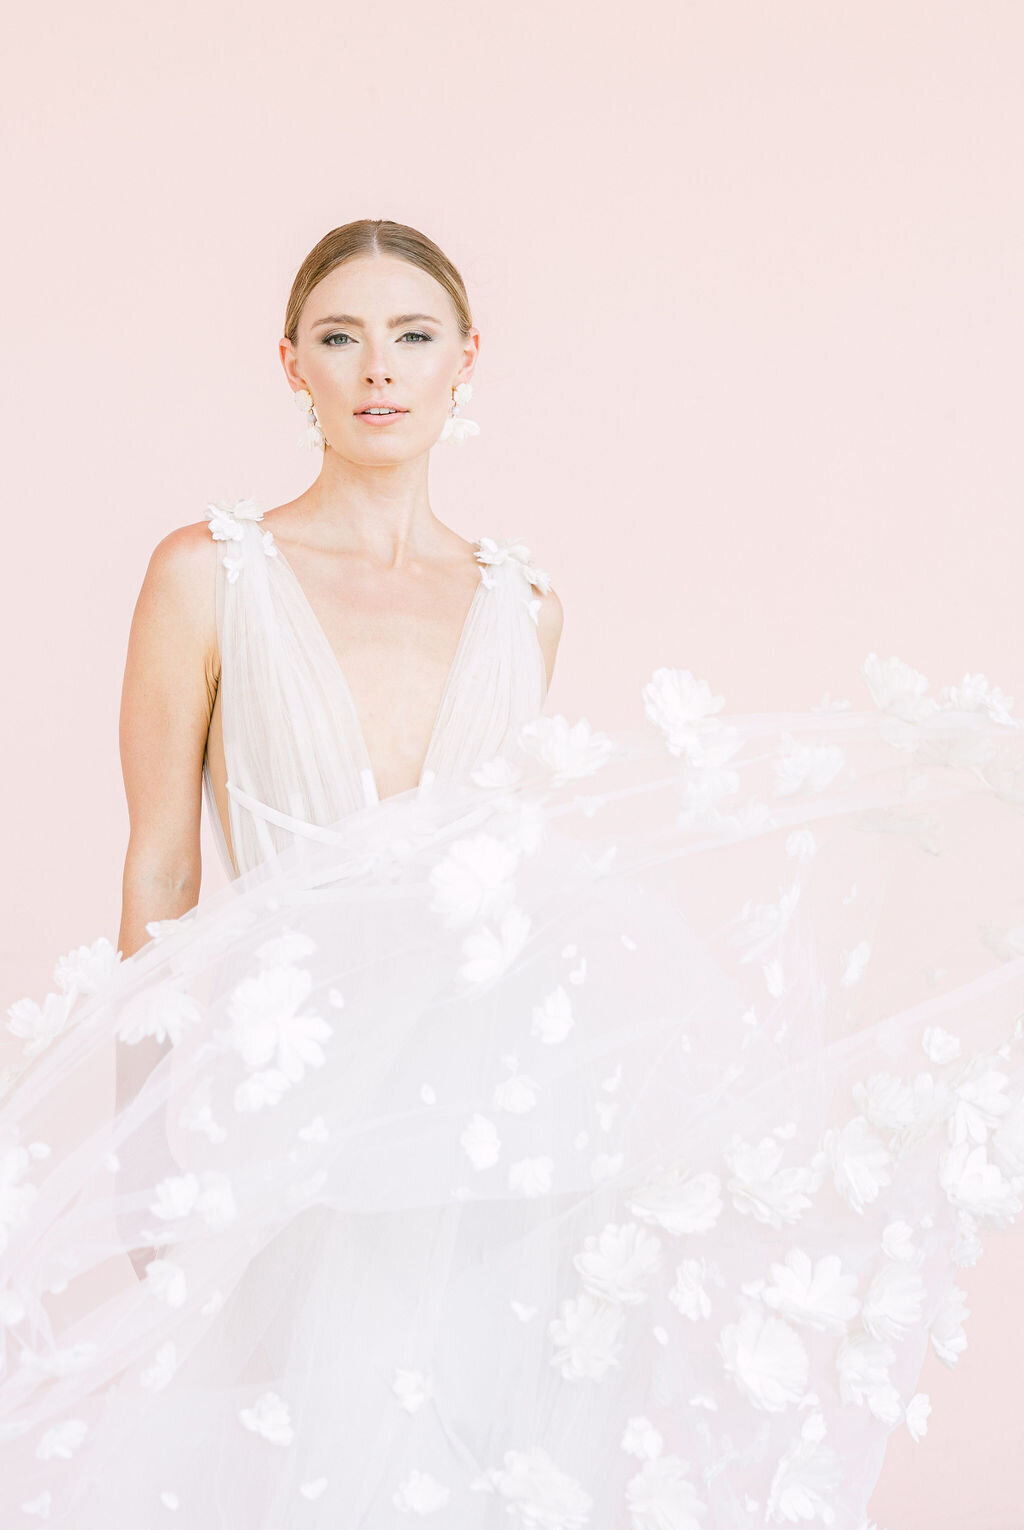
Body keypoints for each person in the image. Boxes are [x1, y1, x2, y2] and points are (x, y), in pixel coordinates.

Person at [2, 218, 1023, 1529]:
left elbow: (516, 879)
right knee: (311, 1449)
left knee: (492, 1462)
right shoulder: (207, 574)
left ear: (465, 361)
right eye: (342, 336)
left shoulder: (521, 604)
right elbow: (159, 866)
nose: (380, 367)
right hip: (300, 1104)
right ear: (291, 363)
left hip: (499, 1109)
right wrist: (153, 1150)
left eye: (413, 336)